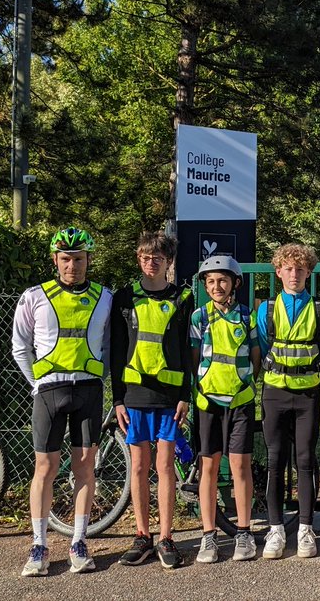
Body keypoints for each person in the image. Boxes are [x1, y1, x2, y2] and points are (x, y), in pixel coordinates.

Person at [13, 227, 112, 577]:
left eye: (79, 259)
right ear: (56, 260)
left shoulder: (105, 297)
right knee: (45, 469)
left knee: (85, 467)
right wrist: (36, 384)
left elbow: (110, 346)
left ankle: (79, 541)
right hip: (50, 392)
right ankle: (39, 545)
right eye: (66, 259)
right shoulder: (34, 296)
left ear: (88, 260)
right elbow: (20, 345)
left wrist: (106, 382)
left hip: (88, 389)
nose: (73, 265)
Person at [111, 232, 194, 569]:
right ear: (138, 258)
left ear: (168, 261)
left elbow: (189, 353)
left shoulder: (183, 298)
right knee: (140, 467)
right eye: (146, 257)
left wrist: (185, 396)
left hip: (169, 397)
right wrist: (117, 399)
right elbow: (117, 350)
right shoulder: (124, 297)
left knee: (164, 468)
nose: (151, 262)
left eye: (158, 257)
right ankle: (142, 535)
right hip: (133, 396)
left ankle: (166, 537)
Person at [256, 243, 320, 559]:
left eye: (300, 269)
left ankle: (305, 528)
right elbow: (261, 349)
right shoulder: (267, 309)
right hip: (274, 391)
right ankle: (275, 530)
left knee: (305, 461)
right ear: (278, 272)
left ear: (308, 273)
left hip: (307, 394)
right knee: (275, 461)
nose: (294, 274)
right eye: (288, 268)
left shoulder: (319, 308)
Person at [189, 255, 260, 564]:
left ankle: (243, 532)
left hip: (241, 401)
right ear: (205, 285)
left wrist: (245, 383)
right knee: (209, 468)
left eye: (223, 280)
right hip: (208, 403)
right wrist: (203, 383)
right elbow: (194, 359)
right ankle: (209, 536)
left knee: (241, 467)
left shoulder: (248, 316)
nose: (217, 286)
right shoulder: (199, 317)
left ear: (234, 283)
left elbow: (256, 355)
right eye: (211, 281)